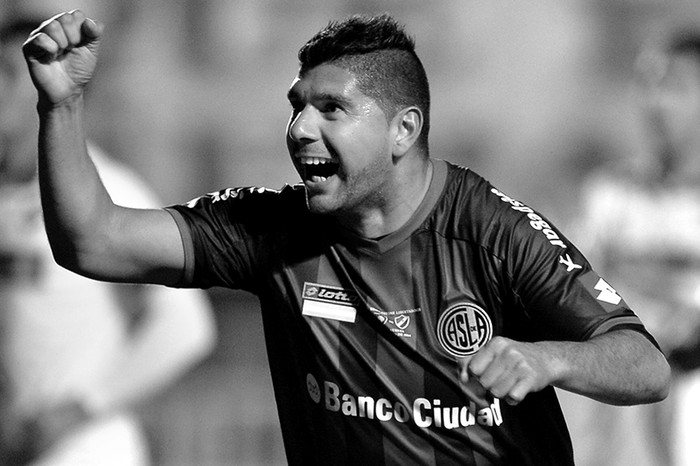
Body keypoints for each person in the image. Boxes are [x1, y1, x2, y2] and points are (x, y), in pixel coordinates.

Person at [21, 10, 671, 465]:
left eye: (331, 108)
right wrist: (61, 105)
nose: (301, 128)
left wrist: (548, 359)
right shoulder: (274, 230)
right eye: (297, 105)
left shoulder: (494, 234)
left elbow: (645, 365)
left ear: (403, 130)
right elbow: (94, 242)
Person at [0, 11, 216, 466]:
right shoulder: (6, 195)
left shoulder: (108, 192)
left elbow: (186, 326)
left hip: (86, 450)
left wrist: (82, 407)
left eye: (6, 74)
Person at [559, 30, 700, 466]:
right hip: (621, 412)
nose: (655, 102)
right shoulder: (610, 193)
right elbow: (570, 287)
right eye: (647, 84)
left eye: (674, 86)